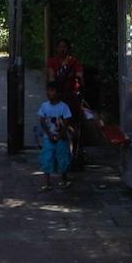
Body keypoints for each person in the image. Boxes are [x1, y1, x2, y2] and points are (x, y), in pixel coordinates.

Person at [47, 37, 84, 166]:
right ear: (56, 48)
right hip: (60, 98)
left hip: (71, 98)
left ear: (68, 48)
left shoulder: (74, 62)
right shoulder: (52, 62)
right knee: (58, 126)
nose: (62, 49)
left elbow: (79, 77)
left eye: (64, 46)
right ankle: (62, 153)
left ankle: (74, 153)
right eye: (60, 46)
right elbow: (51, 77)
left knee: (73, 126)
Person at [38, 81, 73, 191]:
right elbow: (42, 121)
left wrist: (60, 135)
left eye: (52, 90)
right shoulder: (44, 106)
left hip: (61, 138)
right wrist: (49, 134)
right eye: (47, 90)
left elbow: (67, 122)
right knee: (46, 158)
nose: (49, 93)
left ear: (58, 93)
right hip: (48, 138)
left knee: (63, 158)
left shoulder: (63, 107)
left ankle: (64, 179)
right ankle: (46, 182)